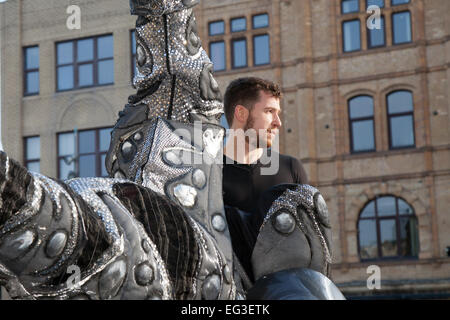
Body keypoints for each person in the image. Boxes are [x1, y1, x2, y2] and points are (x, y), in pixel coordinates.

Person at [222, 77, 309, 283]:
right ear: (241, 113)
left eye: (278, 113)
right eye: (269, 112)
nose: (278, 122)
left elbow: (311, 246)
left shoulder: (291, 169)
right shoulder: (206, 174)